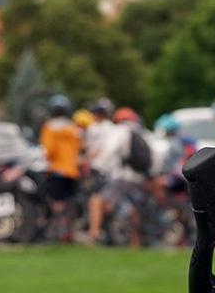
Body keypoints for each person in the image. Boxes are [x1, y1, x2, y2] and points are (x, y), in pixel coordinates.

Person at [85, 106, 143, 243]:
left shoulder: (119, 131)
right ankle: (136, 241)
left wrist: (96, 166)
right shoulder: (141, 131)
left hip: (122, 176)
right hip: (139, 177)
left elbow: (109, 151)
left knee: (96, 201)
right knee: (133, 207)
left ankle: (94, 235)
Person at [39, 94, 83, 241]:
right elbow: (79, 148)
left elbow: (48, 150)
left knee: (57, 202)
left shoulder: (50, 128)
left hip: (57, 169)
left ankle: (59, 231)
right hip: (72, 171)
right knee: (69, 201)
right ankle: (68, 231)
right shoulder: (72, 128)